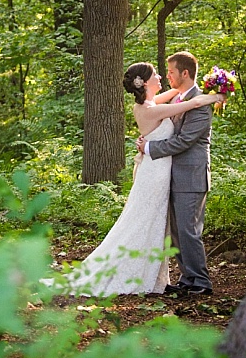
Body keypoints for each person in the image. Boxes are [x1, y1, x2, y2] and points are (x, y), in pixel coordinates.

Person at [44, 61, 223, 297]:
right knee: (154, 224)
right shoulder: (150, 109)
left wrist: (215, 87)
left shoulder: (154, 102)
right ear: (144, 83)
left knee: (176, 228)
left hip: (169, 172)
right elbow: (194, 102)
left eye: (169, 72)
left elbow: (182, 103)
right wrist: (217, 96)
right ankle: (177, 276)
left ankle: (194, 279)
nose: (163, 76)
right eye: (157, 74)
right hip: (156, 173)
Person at [136, 51, 219, 296]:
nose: (168, 75)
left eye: (171, 71)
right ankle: (187, 278)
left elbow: (184, 141)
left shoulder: (201, 103)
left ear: (185, 73)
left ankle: (201, 281)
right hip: (171, 175)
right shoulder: (177, 98)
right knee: (177, 233)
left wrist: (150, 148)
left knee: (189, 231)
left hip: (191, 176)